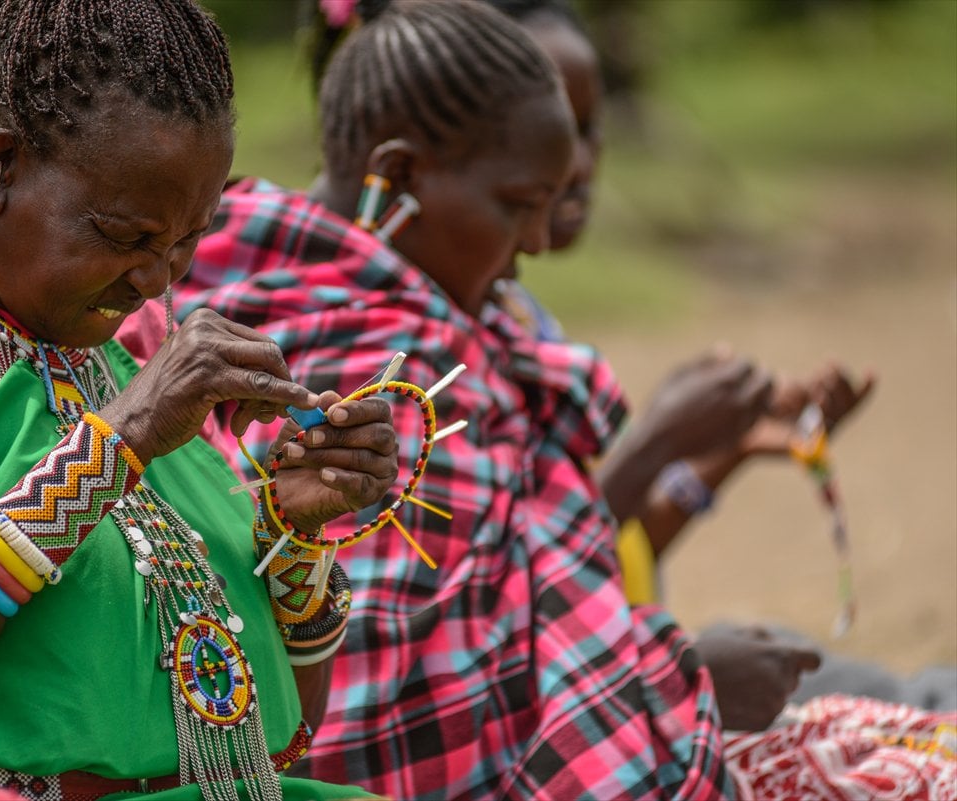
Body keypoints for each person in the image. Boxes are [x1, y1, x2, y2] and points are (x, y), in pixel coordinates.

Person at [152, 0, 957, 798]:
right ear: (396, 175)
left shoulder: (427, 317)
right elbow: (389, 719)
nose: (536, 240)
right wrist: (680, 677)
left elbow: (523, 591)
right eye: (516, 204)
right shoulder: (372, 366)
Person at [0, 2, 401, 800]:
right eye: (125, 235)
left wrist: (293, 534)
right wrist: (118, 443)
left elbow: (270, 729)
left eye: (186, 241)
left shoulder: (107, 351)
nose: (159, 279)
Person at [485, 0, 957, 723]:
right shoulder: (436, 366)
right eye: (550, 133)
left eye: (590, 128)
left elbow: (602, 550)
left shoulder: (518, 322)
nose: (576, 164)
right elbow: (510, 596)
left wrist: (726, 448)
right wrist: (655, 445)